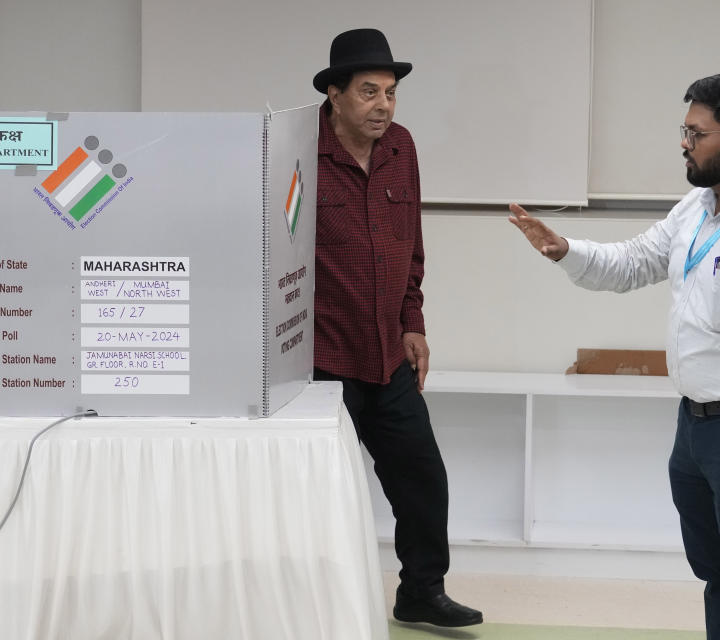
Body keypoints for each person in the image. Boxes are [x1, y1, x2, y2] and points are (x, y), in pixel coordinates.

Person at [509, 70, 720, 639]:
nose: (683, 143)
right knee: (717, 575)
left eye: (697, 133)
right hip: (694, 429)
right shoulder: (695, 208)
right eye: (684, 130)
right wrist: (565, 249)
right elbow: (636, 260)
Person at [311, 28, 482, 628]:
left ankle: (421, 592)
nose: (383, 105)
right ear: (334, 95)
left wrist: (414, 322)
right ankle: (318, 599)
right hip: (320, 360)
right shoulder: (296, 152)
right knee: (323, 494)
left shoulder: (401, 148)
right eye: (368, 92)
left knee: (422, 479)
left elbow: (410, 246)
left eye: (390, 93)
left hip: (387, 353)